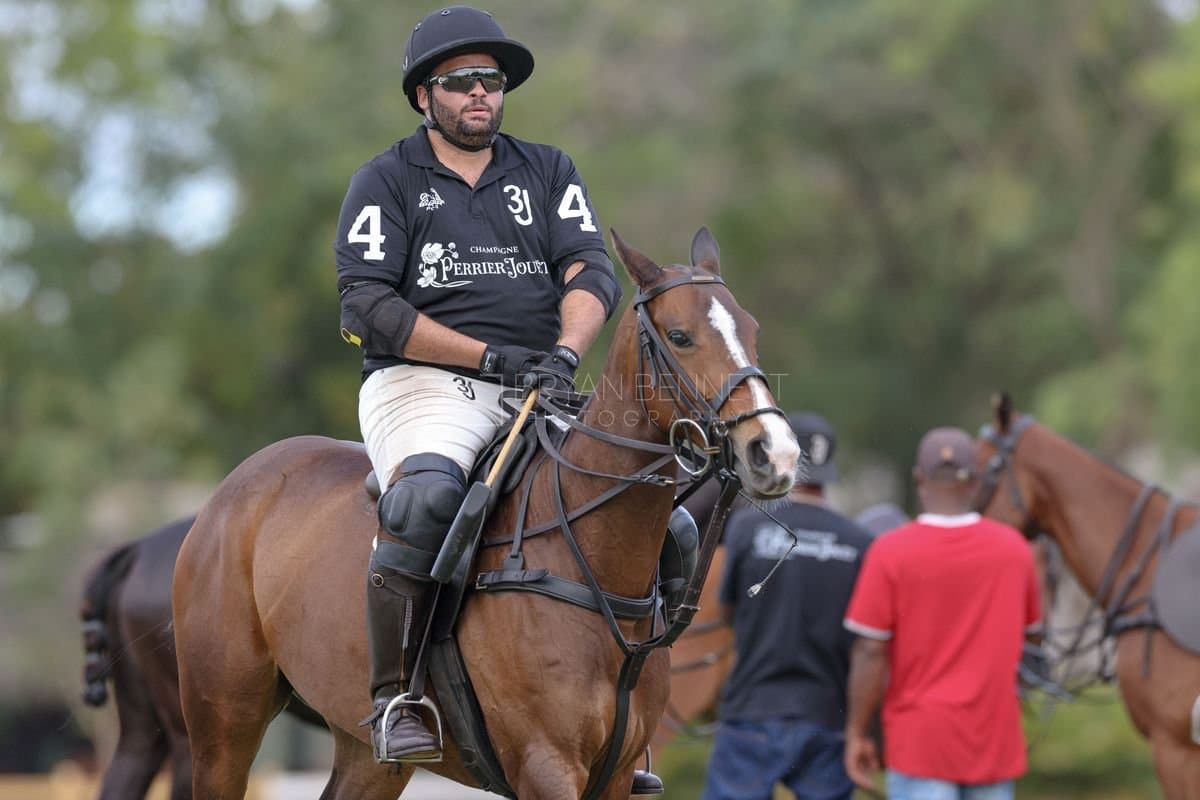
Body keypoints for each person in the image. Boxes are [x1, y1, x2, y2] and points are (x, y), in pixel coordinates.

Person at [332, 7, 645, 785]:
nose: (480, 92)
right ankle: (397, 696)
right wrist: (488, 355)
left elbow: (590, 269)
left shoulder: (548, 169)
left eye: (491, 80)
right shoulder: (387, 179)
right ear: (423, 96)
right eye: (461, 81)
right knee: (425, 502)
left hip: (541, 384)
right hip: (423, 385)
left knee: (654, 509)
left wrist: (566, 352)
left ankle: (631, 717)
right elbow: (368, 305)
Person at [843, 427, 1043, 800]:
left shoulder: (889, 551)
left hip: (919, 743)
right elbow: (1032, 635)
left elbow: (870, 651)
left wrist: (857, 733)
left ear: (919, 478)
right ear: (977, 482)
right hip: (992, 743)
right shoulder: (1016, 551)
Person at [701, 412, 875, 800]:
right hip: (828, 712)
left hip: (752, 708)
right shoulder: (860, 542)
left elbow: (727, 612)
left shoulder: (746, 528)